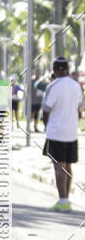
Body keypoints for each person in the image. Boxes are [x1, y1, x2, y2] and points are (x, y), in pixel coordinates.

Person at [42, 56, 83, 211]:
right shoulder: (76, 86)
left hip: (56, 132)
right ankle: (66, 199)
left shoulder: (53, 86)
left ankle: (63, 200)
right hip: (72, 131)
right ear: (67, 69)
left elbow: (46, 110)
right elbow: (79, 106)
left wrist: (46, 125)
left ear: (54, 70)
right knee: (68, 165)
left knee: (59, 166)